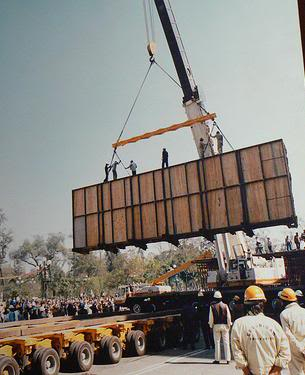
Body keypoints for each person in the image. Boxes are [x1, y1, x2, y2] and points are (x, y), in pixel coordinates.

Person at [231, 285, 290, 375]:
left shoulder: (239, 324)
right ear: (263, 304)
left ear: (245, 304)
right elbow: (285, 351)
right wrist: (274, 372)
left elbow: (237, 352)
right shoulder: (274, 324)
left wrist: (247, 372)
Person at [279, 288, 305, 375]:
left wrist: (300, 348)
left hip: (294, 349)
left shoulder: (284, 314)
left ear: (283, 300)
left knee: (297, 372)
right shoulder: (303, 311)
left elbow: (288, 334)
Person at [208, 291, 231, 364]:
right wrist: (229, 325)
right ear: (221, 298)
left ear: (214, 298)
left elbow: (211, 318)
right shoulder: (225, 306)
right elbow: (228, 317)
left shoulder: (212, 306)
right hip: (224, 326)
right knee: (226, 342)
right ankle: (228, 359)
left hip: (216, 326)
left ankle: (217, 359)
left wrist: (211, 326)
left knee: (217, 343)